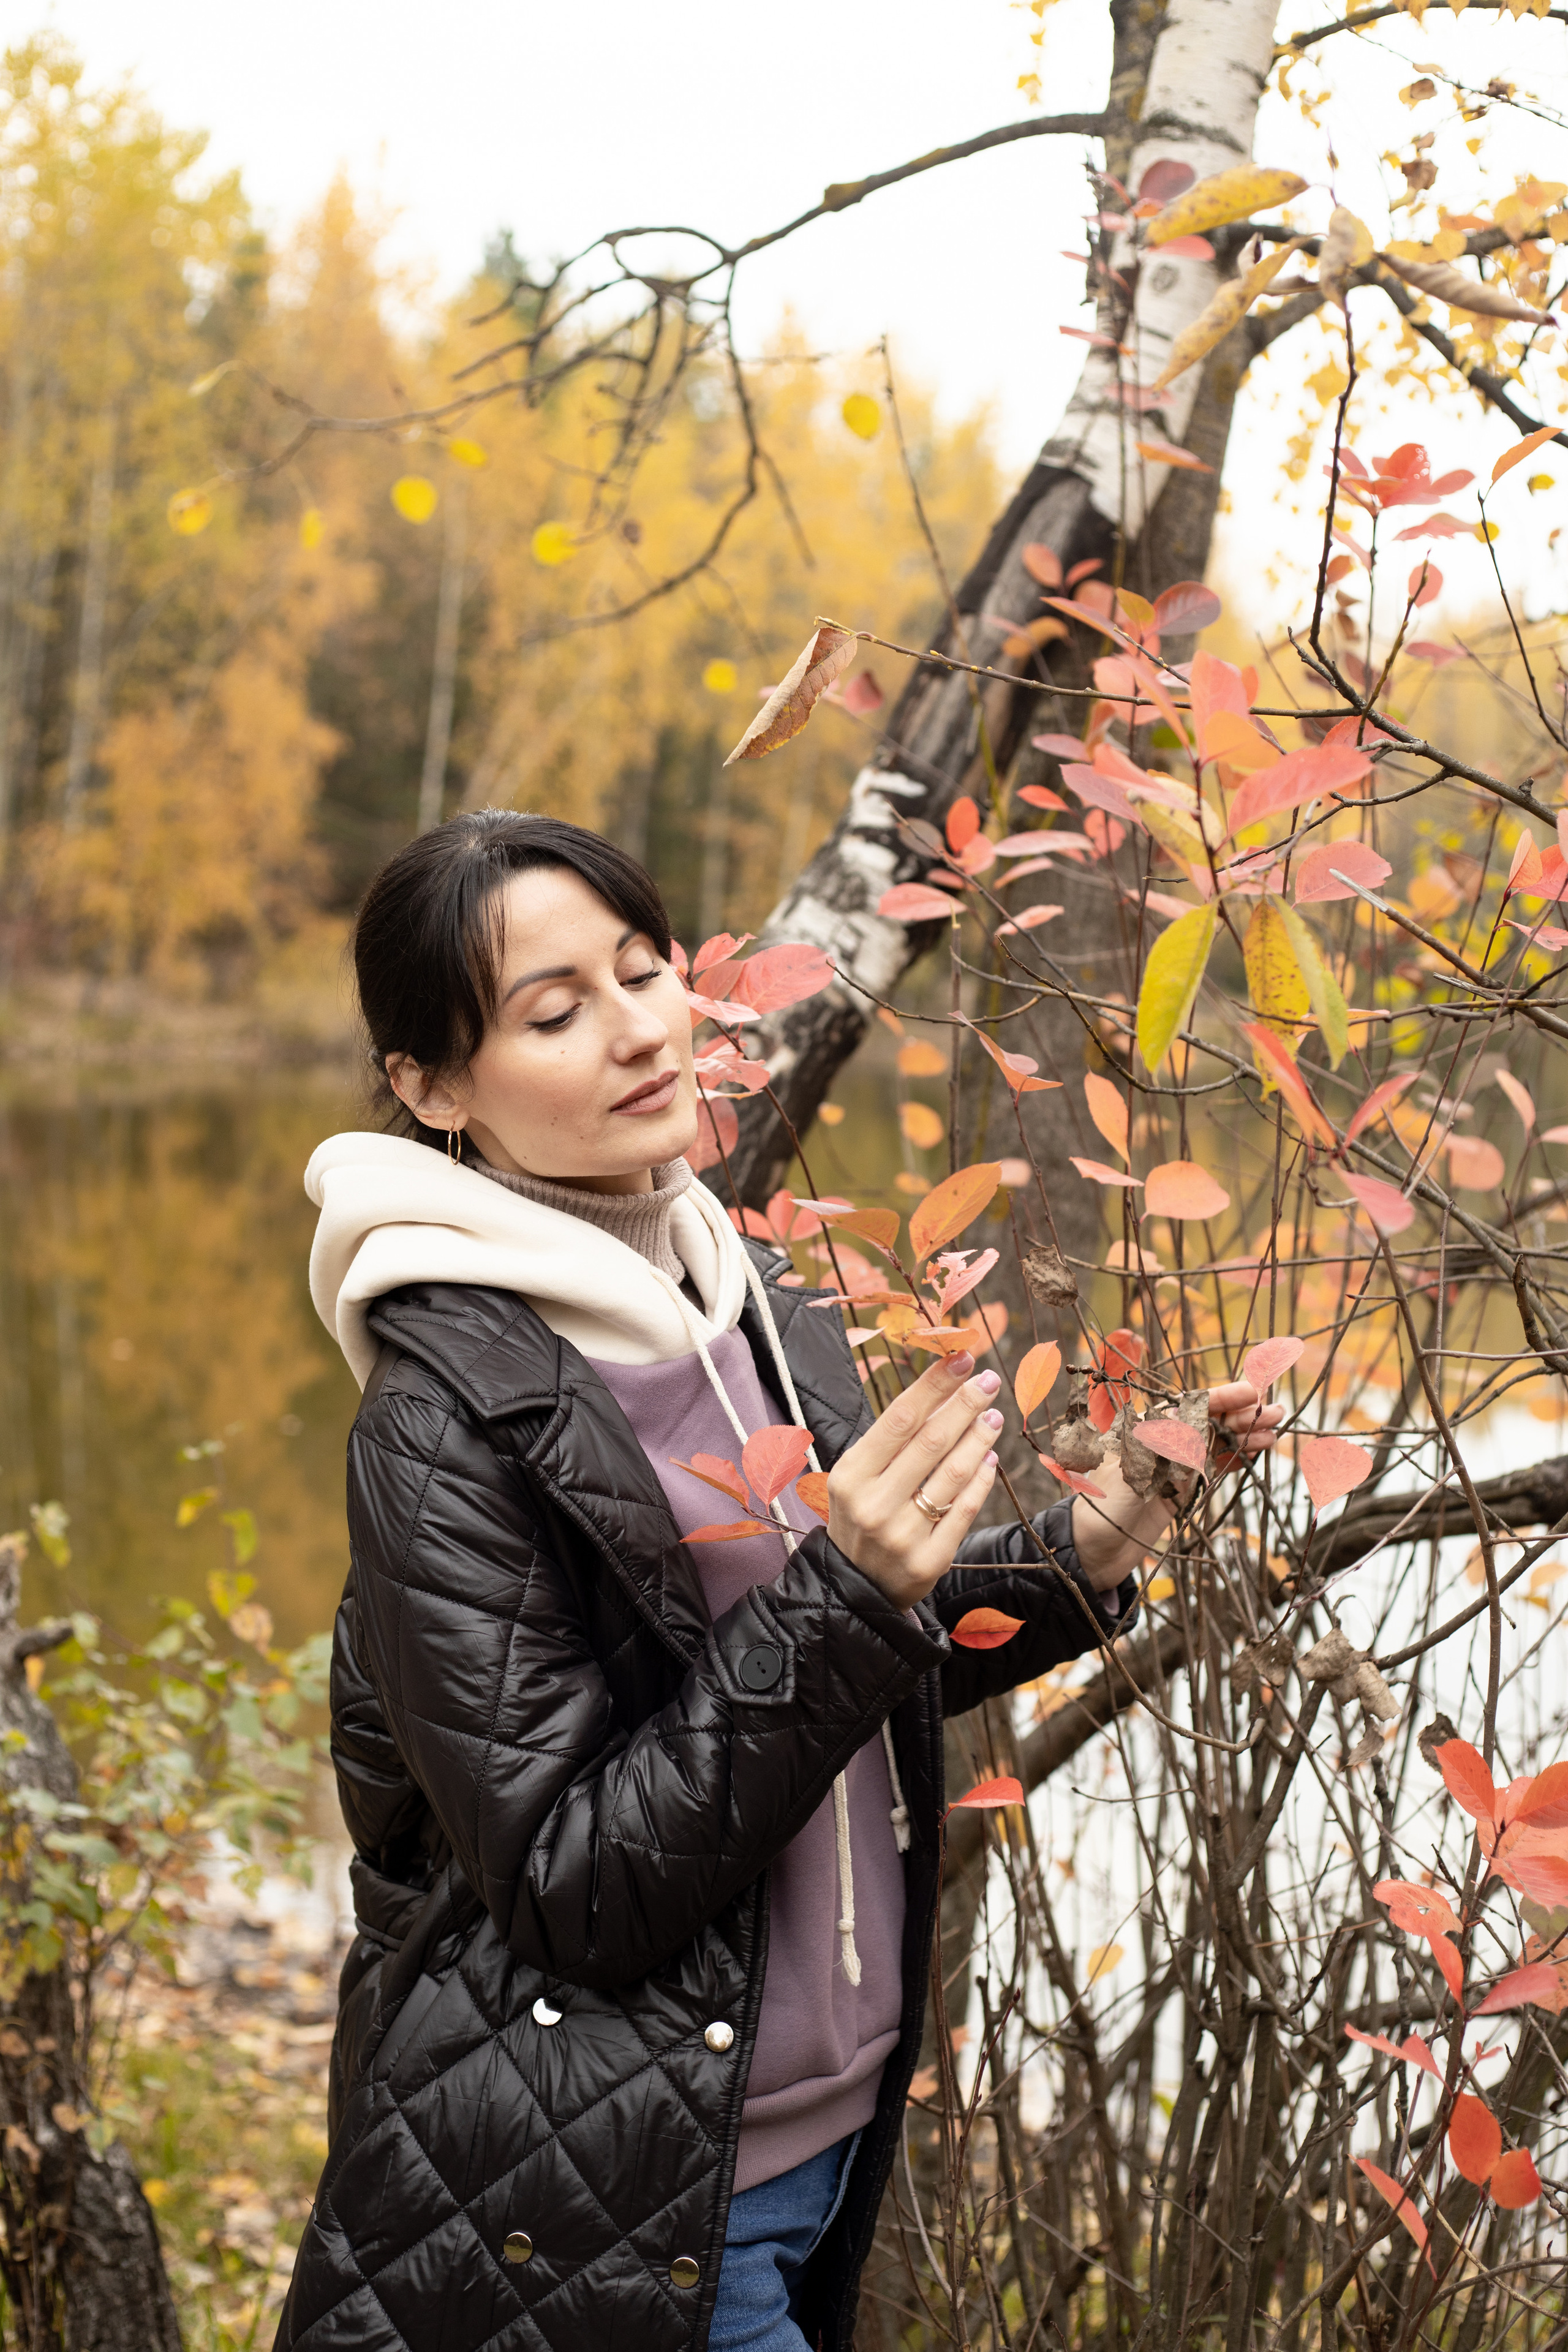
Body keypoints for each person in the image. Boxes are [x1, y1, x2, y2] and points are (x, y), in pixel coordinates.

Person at [278, 810, 1280, 2352]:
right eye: (553, 1013)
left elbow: (836, 1668)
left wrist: (1092, 1545)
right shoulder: (441, 1422)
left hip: (816, 2152)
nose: (636, 1031)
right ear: (428, 1087)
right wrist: (851, 1593)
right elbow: (572, 1880)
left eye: (642, 970)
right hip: (616, 2183)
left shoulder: (750, 1305)